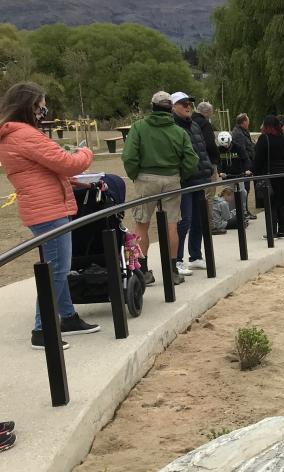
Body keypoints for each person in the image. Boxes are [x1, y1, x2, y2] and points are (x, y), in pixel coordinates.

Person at [0, 81, 101, 349]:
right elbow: (68, 163)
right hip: (48, 210)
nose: (44, 112)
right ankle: (42, 329)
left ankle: (67, 316)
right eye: (41, 107)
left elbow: (42, 169)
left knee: (57, 267)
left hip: (43, 206)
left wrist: (73, 181)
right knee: (56, 269)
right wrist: (85, 151)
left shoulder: (14, 135)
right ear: (29, 106)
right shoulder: (25, 135)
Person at [121, 91, 199, 287]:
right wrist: (180, 174)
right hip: (172, 178)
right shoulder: (178, 131)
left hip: (146, 178)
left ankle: (143, 271)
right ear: (170, 107)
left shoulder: (139, 127)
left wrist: (135, 174)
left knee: (142, 224)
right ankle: (172, 271)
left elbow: (129, 156)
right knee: (172, 225)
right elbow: (191, 159)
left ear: (153, 107)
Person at [172, 92, 214, 275]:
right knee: (185, 220)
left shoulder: (195, 125)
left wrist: (208, 170)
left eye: (189, 103)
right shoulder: (173, 126)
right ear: (173, 106)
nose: (188, 106)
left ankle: (195, 255)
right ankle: (178, 259)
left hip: (200, 178)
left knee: (198, 219)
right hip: (185, 181)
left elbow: (201, 149)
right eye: (183, 104)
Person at [254, 115, 284, 237]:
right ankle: (283, 229)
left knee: (271, 204)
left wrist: (254, 171)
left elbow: (258, 159)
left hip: (270, 175)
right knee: (282, 203)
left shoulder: (264, 139)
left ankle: (272, 231)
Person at [216, 131, 250, 235]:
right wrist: (220, 172)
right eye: (224, 145)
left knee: (242, 192)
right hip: (227, 176)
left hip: (238, 174)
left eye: (227, 144)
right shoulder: (219, 150)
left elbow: (245, 159)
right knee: (227, 196)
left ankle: (243, 211)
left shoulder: (238, 147)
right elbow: (218, 162)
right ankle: (230, 215)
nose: (226, 146)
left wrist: (247, 169)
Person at [230, 113, 256, 220]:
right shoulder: (238, 134)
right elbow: (242, 151)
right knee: (244, 189)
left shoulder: (243, 132)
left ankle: (245, 210)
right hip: (243, 166)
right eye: (247, 121)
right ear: (243, 122)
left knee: (246, 189)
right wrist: (248, 165)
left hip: (247, 163)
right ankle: (243, 211)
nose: (248, 123)